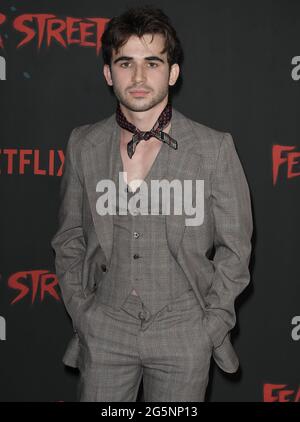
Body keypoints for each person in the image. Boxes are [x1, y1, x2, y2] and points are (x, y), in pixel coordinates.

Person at [51, 5, 253, 402]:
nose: (139, 77)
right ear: (109, 73)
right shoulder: (83, 144)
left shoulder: (214, 149)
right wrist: (83, 313)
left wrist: (208, 327)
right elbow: (69, 238)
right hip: (105, 328)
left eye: (153, 62)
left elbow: (237, 248)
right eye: (126, 63)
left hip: (184, 332)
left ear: (172, 73)